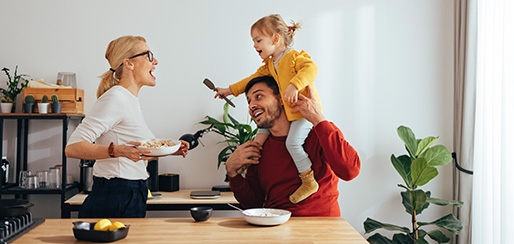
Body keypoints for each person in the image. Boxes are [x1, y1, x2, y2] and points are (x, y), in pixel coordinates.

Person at [65, 35, 190, 218]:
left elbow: (134, 149)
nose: (155, 61)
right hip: (115, 194)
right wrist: (118, 151)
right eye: (149, 55)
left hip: (131, 192)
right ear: (129, 63)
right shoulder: (116, 98)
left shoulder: (129, 100)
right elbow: (72, 148)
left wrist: (169, 150)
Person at [216, 14, 323, 204]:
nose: (255, 46)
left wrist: (294, 85)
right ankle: (249, 172)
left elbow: (311, 68)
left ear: (275, 39)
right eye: (253, 41)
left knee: (293, 144)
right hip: (288, 114)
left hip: (301, 115)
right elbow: (250, 80)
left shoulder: (293, 58)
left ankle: (308, 180)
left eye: (258, 40)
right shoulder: (270, 65)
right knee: (258, 141)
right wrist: (229, 90)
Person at [225, 75, 360, 216]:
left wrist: (318, 118)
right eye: (249, 101)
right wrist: (232, 172)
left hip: (322, 231)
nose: (251, 106)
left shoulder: (320, 132)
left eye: (258, 96)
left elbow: (350, 171)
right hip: (277, 228)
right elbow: (254, 204)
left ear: (281, 98)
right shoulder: (259, 147)